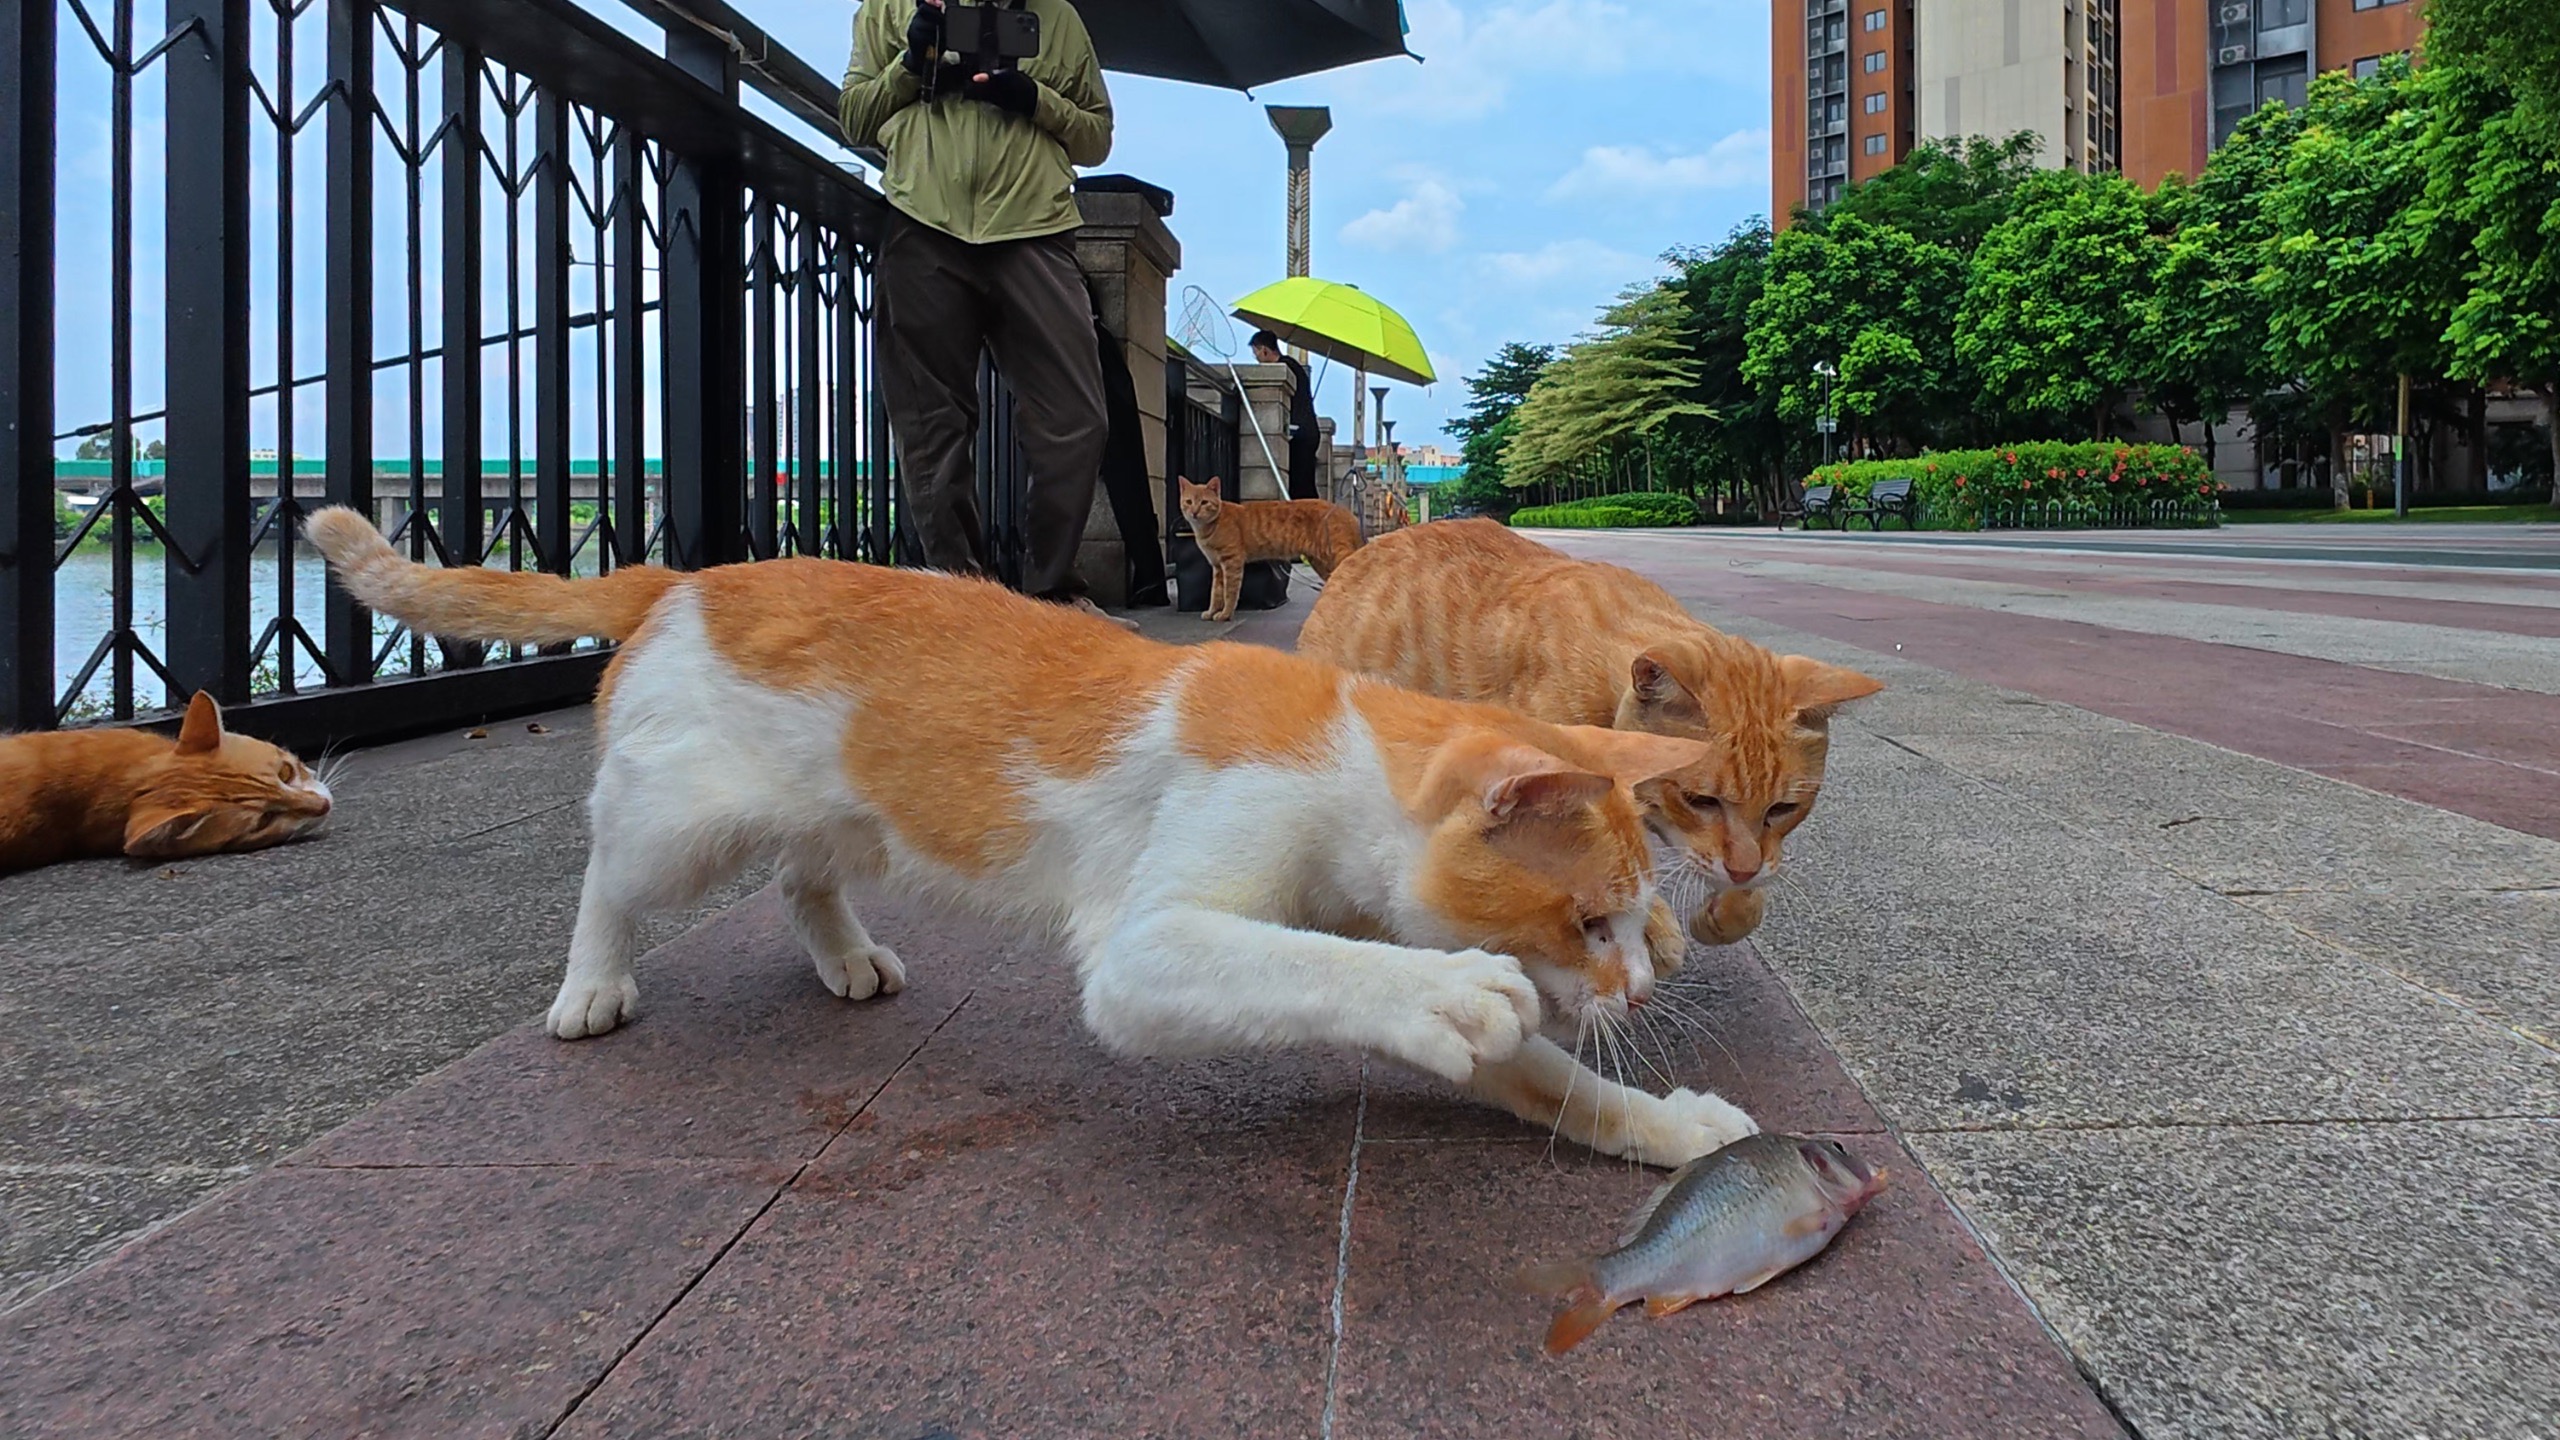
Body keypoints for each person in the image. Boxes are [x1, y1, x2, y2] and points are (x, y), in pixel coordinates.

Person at [842, 0, 1135, 629]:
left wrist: (1033, 99)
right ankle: (962, 600)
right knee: (931, 424)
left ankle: (1050, 592)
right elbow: (854, 118)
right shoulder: (889, 8)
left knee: (1077, 419)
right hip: (923, 224)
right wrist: (910, 61)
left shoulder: (1056, 16)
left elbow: (1097, 136)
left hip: (1035, 227)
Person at [1250, 330, 1323, 501]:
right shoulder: (1293, 365)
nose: (1257, 359)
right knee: (1303, 484)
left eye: (1257, 353)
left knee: (1301, 486)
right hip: (1306, 432)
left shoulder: (1285, 367)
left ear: (1265, 350)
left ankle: (1314, 521)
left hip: (1301, 434)